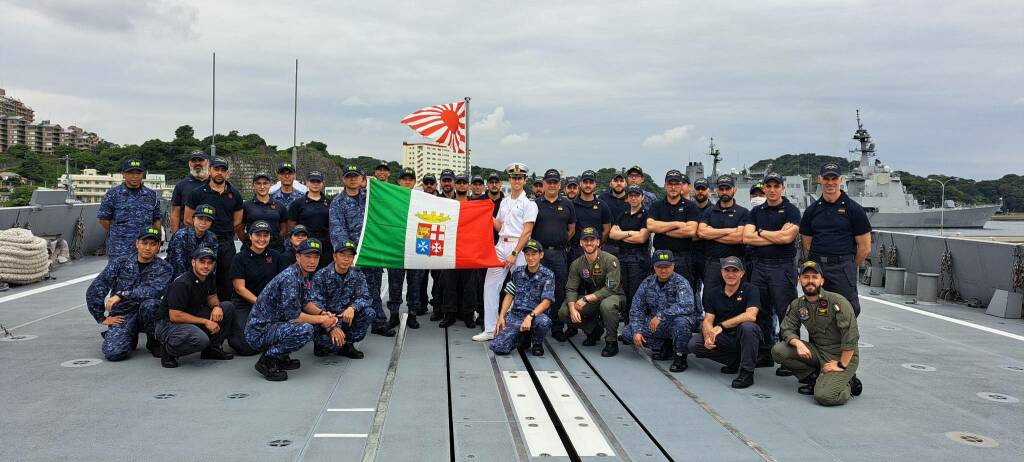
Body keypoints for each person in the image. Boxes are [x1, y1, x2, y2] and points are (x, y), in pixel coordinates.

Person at [245, 239, 339, 381]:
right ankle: (268, 360)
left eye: (316, 257)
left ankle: (280, 357)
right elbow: (295, 317)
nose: (312, 261)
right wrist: (323, 320)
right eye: (308, 256)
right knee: (305, 329)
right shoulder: (290, 279)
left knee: (310, 323)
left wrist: (321, 313)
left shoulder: (301, 274)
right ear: (298, 256)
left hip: (272, 325)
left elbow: (305, 302)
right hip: (259, 331)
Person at [772, 261, 862, 406]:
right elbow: (787, 329)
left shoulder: (837, 302)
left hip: (842, 356)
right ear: (799, 280)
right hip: (818, 351)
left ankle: (849, 384)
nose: (810, 281)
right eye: (806, 277)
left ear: (822, 280)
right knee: (779, 351)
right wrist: (798, 343)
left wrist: (842, 364)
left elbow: (850, 336)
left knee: (824, 397)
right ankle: (813, 377)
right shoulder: (798, 305)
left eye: (814, 277)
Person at [742, 172, 801, 376]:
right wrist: (775, 235)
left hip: (782, 267)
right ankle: (765, 353)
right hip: (760, 266)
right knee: (762, 311)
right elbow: (746, 237)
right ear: (765, 188)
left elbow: (788, 238)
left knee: (786, 312)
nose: (773, 189)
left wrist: (761, 232)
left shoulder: (791, 211)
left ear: (782, 188)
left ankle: (789, 359)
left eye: (777, 186)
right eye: (769, 186)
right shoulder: (756, 211)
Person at [85, 227, 172, 361]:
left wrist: (121, 295)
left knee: (151, 304)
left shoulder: (165, 268)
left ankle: (153, 341)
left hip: (147, 315)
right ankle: (128, 336)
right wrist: (100, 317)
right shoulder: (120, 263)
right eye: (144, 243)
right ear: (137, 243)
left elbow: (153, 290)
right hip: (123, 314)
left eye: (153, 244)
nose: (148, 248)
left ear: (158, 247)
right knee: (114, 353)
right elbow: (97, 287)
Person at [476, 163, 538, 342]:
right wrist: (485, 215)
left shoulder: (529, 204)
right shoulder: (504, 201)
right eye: (513, 177)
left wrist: (515, 252)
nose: (516, 181)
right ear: (509, 180)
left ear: (525, 180)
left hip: (517, 247)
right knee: (490, 286)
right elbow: (499, 226)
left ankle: (514, 329)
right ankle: (490, 328)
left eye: (520, 178)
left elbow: (527, 231)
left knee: (519, 289)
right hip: (500, 245)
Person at [800, 163, 872, 316]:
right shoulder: (811, 211)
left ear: (841, 180)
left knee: (847, 310)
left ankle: (845, 340)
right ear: (820, 179)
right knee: (816, 310)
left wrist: (850, 266)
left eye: (834, 178)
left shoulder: (854, 210)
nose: (830, 182)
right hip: (818, 268)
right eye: (826, 178)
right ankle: (818, 340)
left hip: (843, 268)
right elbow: (807, 245)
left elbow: (865, 247)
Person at [330, 165, 394, 337]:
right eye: (349, 176)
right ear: (343, 179)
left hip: (372, 252)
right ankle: (348, 323)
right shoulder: (338, 202)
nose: (352, 179)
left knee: (373, 288)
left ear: (362, 179)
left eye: (356, 176)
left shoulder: (371, 197)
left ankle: (378, 322)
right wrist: (348, 254)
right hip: (352, 256)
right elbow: (338, 230)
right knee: (350, 291)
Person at [689, 256, 763, 389]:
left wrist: (722, 326)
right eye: (727, 270)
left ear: (742, 273)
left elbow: (751, 316)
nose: (730, 274)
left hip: (744, 337)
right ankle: (734, 361)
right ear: (721, 272)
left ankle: (747, 373)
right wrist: (708, 336)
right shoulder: (713, 293)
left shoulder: (751, 290)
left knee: (748, 327)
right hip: (725, 338)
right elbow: (708, 319)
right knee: (695, 344)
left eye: (734, 271)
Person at [155, 246, 236, 368]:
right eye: (202, 262)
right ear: (193, 262)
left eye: (209, 263)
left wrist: (217, 306)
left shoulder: (208, 276)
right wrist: (205, 322)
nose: (206, 266)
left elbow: (212, 296)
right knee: (200, 339)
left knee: (227, 307)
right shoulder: (182, 284)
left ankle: (211, 349)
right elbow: (175, 315)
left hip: (193, 313)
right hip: (169, 324)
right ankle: (169, 350)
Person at [623, 250, 699, 373]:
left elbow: (687, 306)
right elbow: (637, 308)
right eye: (659, 267)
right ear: (654, 267)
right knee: (628, 333)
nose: (663, 270)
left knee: (682, 323)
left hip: (675, 323)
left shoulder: (681, 282)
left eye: (667, 267)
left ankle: (680, 357)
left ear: (673, 265)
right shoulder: (648, 283)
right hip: (657, 325)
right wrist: (636, 331)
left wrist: (661, 315)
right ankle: (665, 346)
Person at [184, 157, 244, 301]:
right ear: (210, 170)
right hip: (203, 242)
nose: (219, 173)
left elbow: (237, 222)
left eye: (223, 170)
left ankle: (224, 311)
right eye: (216, 169)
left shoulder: (235, 194)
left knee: (225, 281)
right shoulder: (197, 193)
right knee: (201, 277)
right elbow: (187, 219)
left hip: (226, 243)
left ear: (227, 173)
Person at [559, 227, 623, 357]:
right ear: (581, 243)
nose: (589, 243)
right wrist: (572, 307)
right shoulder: (577, 264)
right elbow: (571, 288)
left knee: (607, 305)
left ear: (598, 242)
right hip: (593, 299)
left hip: (614, 296)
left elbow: (611, 288)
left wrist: (586, 299)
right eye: (586, 240)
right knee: (564, 312)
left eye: (592, 240)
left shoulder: (610, 260)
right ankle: (594, 329)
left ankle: (611, 342)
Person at [308, 241, 377, 358]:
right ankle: (323, 343)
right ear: (334, 256)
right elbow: (316, 305)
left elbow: (365, 296)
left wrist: (352, 308)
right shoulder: (321, 275)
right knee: (326, 348)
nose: (346, 259)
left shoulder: (357, 274)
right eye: (342, 255)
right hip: (326, 320)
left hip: (346, 318)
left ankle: (347, 344)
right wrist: (332, 326)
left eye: (350, 256)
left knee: (369, 312)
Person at [227, 220, 287, 356]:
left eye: (265, 235)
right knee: (246, 348)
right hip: (245, 305)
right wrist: (261, 303)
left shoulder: (276, 257)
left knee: (284, 335)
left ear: (270, 237)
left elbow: (282, 284)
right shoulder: (240, 258)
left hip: (270, 305)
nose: (261, 239)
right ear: (250, 236)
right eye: (257, 235)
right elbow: (239, 288)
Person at [533, 168, 576, 341]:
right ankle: (536, 324)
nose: (551, 185)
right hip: (539, 255)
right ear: (543, 184)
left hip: (558, 254)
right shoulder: (535, 204)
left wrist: (559, 240)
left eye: (555, 182)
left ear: (559, 185)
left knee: (558, 290)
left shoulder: (567, 204)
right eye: (548, 182)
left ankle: (556, 326)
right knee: (536, 290)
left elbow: (571, 229)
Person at [490, 240, 554, 356]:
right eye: (527, 254)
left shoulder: (548, 274)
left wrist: (530, 317)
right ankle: (523, 337)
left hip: (535, 316)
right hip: (516, 315)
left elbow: (546, 302)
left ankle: (537, 343)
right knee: (498, 347)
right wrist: (501, 316)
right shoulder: (517, 272)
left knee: (544, 322)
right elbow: (509, 295)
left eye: (534, 254)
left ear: (541, 255)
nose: (530, 258)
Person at [696, 174, 748, 307]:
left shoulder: (743, 212)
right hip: (713, 263)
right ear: (717, 190)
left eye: (727, 188)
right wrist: (729, 231)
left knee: (737, 300)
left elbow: (739, 237)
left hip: (736, 263)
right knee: (709, 299)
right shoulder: (709, 211)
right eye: (721, 189)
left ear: (733, 190)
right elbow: (701, 232)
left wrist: (712, 233)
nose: (724, 192)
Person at [97, 159, 162, 260]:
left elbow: (156, 220)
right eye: (131, 173)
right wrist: (119, 232)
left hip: (145, 247)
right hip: (119, 248)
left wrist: (157, 241)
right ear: (123, 174)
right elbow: (103, 220)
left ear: (142, 174)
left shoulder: (151, 195)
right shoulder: (113, 194)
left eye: (138, 173)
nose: (135, 176)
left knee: (146, 274)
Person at [647, 169, 701, 290]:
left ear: (681, 186)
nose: (673, 187)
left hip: (682, 258)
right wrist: (677, 224)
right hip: (660, 257)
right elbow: (650, 226)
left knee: (683, 293)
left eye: (676, 184)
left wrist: (662, 229)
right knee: (656, 293)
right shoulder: (656, 205)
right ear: (665, 186)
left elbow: (691, 231)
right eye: (670, 184)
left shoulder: (690, 206)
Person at [441, 174, 481, 328]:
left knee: (469, 286)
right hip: (450, 250)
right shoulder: (447, 205)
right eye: (459, 183)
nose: (462, 185)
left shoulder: (475, 205)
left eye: (465, 183)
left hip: (469, 251)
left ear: (469, 186)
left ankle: (468, 315)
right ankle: (449, 315)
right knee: (448, 284)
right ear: (455, 185)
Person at [387, 167, 424, 329]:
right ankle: (394, 314)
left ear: (415, 182)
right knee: (394, 284)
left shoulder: (422, 198)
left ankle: (412, 315)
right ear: (398, 181)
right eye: (404, 178)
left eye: (410, 179)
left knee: (415, 284)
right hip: (395, 247)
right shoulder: (390, 198)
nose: (407, 181)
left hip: (416, 247)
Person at [608, 185, 650, 323]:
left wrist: (622, 234)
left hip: (638, 259)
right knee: (624, 293)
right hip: (623, 257)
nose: (633, 198)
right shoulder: (623, 214)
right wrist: (631, 233)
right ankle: (627, 325)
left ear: (642, 197)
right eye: (631, 195)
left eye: (636, 195)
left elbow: (642, 238)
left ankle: (636, 325)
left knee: (636, 294)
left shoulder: (646, 214)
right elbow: (612, 234)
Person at [288, 170, 332, 268]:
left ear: (323, 184)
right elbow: (291, 227)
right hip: (305, 248)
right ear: (307, 183)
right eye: (312, 181)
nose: (315, 184)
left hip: (326, 248)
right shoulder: (297, 204)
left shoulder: (330, 203)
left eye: (318, 182)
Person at [569, 170, 612, 264]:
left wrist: (597, 244)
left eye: (591, 182)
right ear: (580, 183)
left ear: (595, 184)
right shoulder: (571, 205)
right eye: (585, 182)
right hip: (575, 251)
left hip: (596, 251)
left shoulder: (602, 205)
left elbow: (607, 229)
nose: (588, 185)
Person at [166, 203, 218, 280]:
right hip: (178, 278)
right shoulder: (181, 235)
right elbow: (178, 264)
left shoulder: (212, 238)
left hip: (201, 277)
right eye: (200, 218)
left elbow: (212, 262)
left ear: (211, 223)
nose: (203, 223)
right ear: (193, 219)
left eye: (208, 220)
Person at [419, 173, 446, 321]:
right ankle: (421, 304)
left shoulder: (444, 200)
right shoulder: (417, 199)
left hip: (437, 238)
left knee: (438, 278)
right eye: (426, 183)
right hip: (422, 237)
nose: (429, 185)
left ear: (436, 185)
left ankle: (437, 306)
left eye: (431, 183)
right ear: (423, 185)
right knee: (421, 277)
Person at [243, 172, 288, 251]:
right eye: (258, 183)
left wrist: (274, 240)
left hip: (275, 249)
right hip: (252, 249)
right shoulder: (246, 205)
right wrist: (249, 241)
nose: (262, 187)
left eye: (265, 183)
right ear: (253, 185)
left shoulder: (280, 206)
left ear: (270, 184)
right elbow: (239, 227)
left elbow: (284, 228)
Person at [170, 150, 209, 235]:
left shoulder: (215, 184)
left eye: (200, 160)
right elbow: (175, 214)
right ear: (189, 163)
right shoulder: (181, 186)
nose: (197, 163)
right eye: (194, 161)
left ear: (207, 162)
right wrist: (175, 236)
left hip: (212, 235)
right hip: (187, 235)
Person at [690, 178, 713, 305]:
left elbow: (710, 233)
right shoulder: (688, 208)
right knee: (690, 291)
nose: (700, 192)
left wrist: (696, 232)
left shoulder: (714, 210)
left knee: (709, 291)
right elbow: (688, 233)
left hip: (708, 257)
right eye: (698, 189)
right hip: (690, 255)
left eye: (703, 189)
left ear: (709, 191)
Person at [598, 172, 628, 257]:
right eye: (615, 181)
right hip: (607, 245)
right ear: (610, 183)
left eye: (621, 181)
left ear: (625, 184)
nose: (618, 183)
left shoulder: (632, 199)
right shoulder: (602, 199)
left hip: (627, 245)